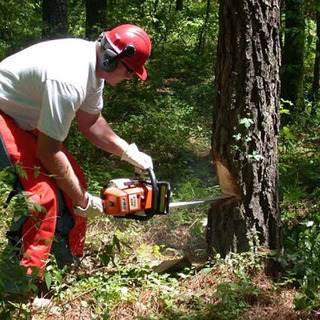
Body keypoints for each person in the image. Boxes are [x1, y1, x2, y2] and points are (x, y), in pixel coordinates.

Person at [0, 24, 153, 287]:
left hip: (21, 117)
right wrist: (83, 201)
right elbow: (48, 152)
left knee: (73, 178)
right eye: (129, 71)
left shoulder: (94, 71)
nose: (130, 78)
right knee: (43, 196)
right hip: (4, 114)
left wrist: (126, 151)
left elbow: (91, 123)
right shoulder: (69, 77)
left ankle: (64, 263)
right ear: (111, 58)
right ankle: (20, 287)